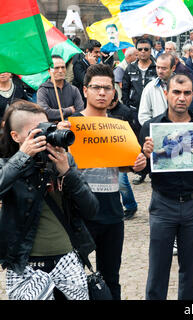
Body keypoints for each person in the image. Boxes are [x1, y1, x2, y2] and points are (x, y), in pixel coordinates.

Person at [0, 100, 98, 300]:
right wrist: (22, 157)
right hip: (26, 266)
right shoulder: (7, 165)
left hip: (67, 261)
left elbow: (92, 210)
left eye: (46, 129)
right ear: (15, 136)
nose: (44, 137)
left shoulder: (62, 160)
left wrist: (67, 173)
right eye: (35, 133)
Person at [140, 74, 193, 300]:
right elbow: (140, 169)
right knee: (158, 268)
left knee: (191, 269)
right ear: (166, 94)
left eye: (187, 93)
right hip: (162, 203)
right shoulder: (151, 126)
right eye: (176, 92)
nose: (181, 98)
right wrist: (144, 157)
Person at [72, 64, 147, 300]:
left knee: (111, 278)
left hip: (113, 211)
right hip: (78, 212)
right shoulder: (71, 124)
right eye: (96, 88)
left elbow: (126, 163)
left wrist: (139, 163)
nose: (102, 92)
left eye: (107, 88)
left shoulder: (119, 125)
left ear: (114, 92)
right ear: (85, 90)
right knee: (73, 279)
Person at [122, 38, 157, 185]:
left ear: (151, 50)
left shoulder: (156, 67)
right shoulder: (130, 68)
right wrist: (127, 107)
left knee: (153, 142)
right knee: (138, 143)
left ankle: (155, 172)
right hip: (135, 111)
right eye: (140, 49)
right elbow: (125, 88)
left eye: (146, 49)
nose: (143, 52)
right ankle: (141, 172)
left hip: (153, 112)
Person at [108, 91, 139, 220]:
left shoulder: (126, 112)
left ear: (116, 100)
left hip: (121, 151)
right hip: (106, 152)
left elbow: (133, 132)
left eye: (111, 104)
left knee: (122, 182)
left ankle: (130, 206)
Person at [37, 55, 84, 122]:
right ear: (49, 71)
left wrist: (66, 121)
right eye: (56, 68)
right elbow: (45, 112)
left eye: (63, 67)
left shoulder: (74, 89)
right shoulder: (43, 90)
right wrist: (69, 110)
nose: (60, 71)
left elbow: (80, 112)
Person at [138, 53, 175, 125]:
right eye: (158, 67)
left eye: (164, 68)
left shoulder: (183, 86)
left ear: (173, 68)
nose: (160, 71)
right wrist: (154, 130)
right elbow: (143, 115)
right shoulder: (150, 87)